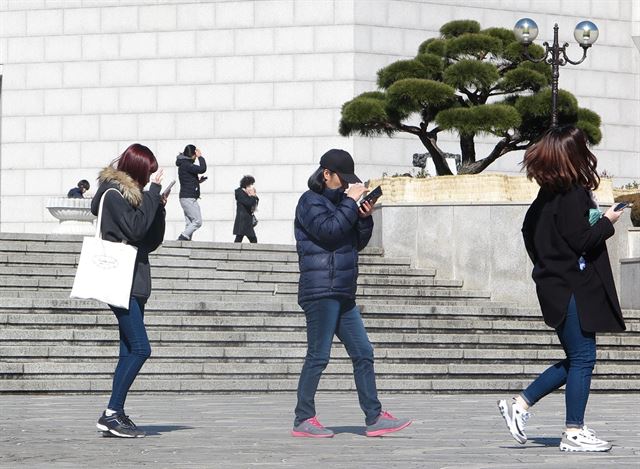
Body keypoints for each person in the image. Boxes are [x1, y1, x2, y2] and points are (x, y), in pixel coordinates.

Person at [497, 126, 626, 452]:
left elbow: (529, 233)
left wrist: (547, 264)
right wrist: (608, 220)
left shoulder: (545, 197)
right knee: (583, 357)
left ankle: (521, 404)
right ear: (574, 154)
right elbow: (582, 240)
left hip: (555, 285)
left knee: (578, 357)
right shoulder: (573, 195)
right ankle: (574, 430)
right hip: (572, 287)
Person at [291, 149, 411, 438]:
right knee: (318, 356)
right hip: (320, 291)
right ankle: (303, 418)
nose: (345, 185)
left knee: (363, 352)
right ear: (326, 174)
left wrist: (364, 218)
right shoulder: (310, 202)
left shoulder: (341, 204)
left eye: (349, 182)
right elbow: (329, 232)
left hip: (343, 290)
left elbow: (355, 243)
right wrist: (348, 203)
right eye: (340, 179)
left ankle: (374, 417)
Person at [92, 143, 167, 438]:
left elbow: (149, 241)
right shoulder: (113, 195)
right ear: (136, 170)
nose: (150, 179)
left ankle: (116, 412)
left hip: (134, 282)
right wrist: (150, 197)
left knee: (127, 350)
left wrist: (158, 208)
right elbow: (135, 231)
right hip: (119, 280)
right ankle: (111, 412)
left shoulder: (136, 198)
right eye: (147, 173)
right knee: (140, 348)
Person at [176, 144, 207, 241]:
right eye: (195, 155)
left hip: (186, 197)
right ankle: (183, 237)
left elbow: (187, 180)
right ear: (193, 155)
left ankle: (186, 243)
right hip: (188, 198)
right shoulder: (186, 164)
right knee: (197, 221)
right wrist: (200, 157)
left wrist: (198, 182)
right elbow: (202, 169)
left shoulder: (184, 165)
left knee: (190, 223)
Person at [233, 175, 259, 243]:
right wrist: (252, 196)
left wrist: (254, 196)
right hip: (242, 221)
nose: (252, 187)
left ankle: (234, 252)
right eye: (250, 185)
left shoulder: (247, 194)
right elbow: (249, 203)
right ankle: (234, 252)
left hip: (247, 221)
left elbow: (255, 203)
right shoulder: (240, 193)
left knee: (241, 238)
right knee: (244, 238)